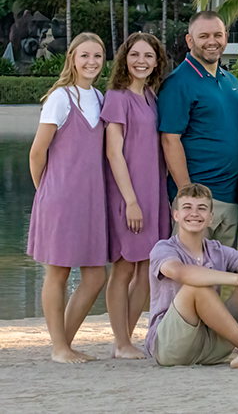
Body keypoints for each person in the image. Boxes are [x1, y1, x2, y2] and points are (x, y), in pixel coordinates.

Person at [146, 183, 238, 368]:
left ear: (210, 218)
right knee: (196, 288)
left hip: (210, 344)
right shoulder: (164, 248)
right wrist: (237, 279)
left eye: (202, 208)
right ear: (176, 215)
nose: (194, 213)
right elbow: (182, 273)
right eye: (187, 207)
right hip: (171, 347)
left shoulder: (217, 250)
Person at [27, 33, 109, 363]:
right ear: (72, 58)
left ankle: (64, 343)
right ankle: (60, 348)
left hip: (92, 201)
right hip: (59, 198)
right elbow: (37, 153)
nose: (91, 62)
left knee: (96, 276)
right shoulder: (61, 98)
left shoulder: (100, 98)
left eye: (98, 56)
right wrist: (46, 192)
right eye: (85, 55)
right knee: (58, 272)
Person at [103, 32, 171, 359]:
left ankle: (125, 341)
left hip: (153, 192)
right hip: (128, 194)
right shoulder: (117, 97)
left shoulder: (151, 96)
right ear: (124, 59)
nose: (141, 61)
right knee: (123, 268)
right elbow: (114, 153)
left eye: (148, 55)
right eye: (135, 55)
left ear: (157, 62)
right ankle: (120, 341)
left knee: (147, 270)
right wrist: (130, 200)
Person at [159, 11, 238, 247]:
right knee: (189, 276)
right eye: (204, 35)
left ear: (226, 37)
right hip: (198, 200)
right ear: (190, 40)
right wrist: (188, 195)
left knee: (219, 276)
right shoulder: (178, 83)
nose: (212, 41)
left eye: (218, 35)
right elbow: (170, 140)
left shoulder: (232, 82)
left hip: (231, 198)